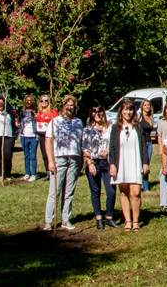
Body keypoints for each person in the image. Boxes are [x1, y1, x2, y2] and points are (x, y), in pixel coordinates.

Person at [44, 95, 83, 231]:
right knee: (55, 191)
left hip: (74, 158)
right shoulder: (55, 122)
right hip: (59, 158)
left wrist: (81, 160)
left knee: (69, 191)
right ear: (63, 106)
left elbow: (81, 142)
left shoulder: (78, 122)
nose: (69, 107)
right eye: (67, 104)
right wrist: (50, 161)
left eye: (72, 104)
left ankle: (66, 219)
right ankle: (49, 221)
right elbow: (48, 141)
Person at [110, 98, 150, 231]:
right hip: (121, 163)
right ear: (121, 111)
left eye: (130, 109)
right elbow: (112, 148)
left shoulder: (138, 127)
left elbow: (144, 146)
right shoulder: (115, 128)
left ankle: (136, 221)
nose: (128, 112)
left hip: (135, 161)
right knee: (124, 192)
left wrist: (145, 163)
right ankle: (127, 221)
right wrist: (113, 165)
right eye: (125, 109)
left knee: (136, 192)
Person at [82, 105, 117, 230]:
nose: (97, 113)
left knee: (111, 190)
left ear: (104, 112)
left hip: (107, 162)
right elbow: (85, 148)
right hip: (94, 162)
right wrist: (90, 163)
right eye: (94, 111)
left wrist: (108, 150)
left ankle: (109, 216)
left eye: (99, 111)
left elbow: (115, 143)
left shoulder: (111, 127)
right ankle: (98, 218)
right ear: (91, 113)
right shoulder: (87, 129)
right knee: (95, 190)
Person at [35, 95, 58, 179]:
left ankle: (55, 170)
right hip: (41, 136)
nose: (44, 102)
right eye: (42, 101)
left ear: (49, 102)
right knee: (44, 154)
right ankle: (47, 172)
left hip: (50, 136)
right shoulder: (38, 113)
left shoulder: (53, 112)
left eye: (46, 101)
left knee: (51, 154)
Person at [19, 94, 39, 181]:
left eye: (30, 100)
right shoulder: (22, 111)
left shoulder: (36, 111)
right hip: (24, 135)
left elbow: (38, 121)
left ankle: (34, 174)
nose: (29, 102)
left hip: (33, 135)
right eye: (27, 100)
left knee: (33, 156)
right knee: (26, 155)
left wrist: (35, 115)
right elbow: (19, 121)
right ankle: (27, 173)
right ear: (25, 101)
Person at [137, 99, 156, 192]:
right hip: (141, 143)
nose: (147, 106)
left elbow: (152, 131)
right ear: (142, 107)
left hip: (149, 143)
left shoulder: (151, 117)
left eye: (148, 105)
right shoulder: (139, 117)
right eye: (145, 105)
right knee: (141, 164)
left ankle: (145, 186)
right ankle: (142, 186)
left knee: (146, 164)